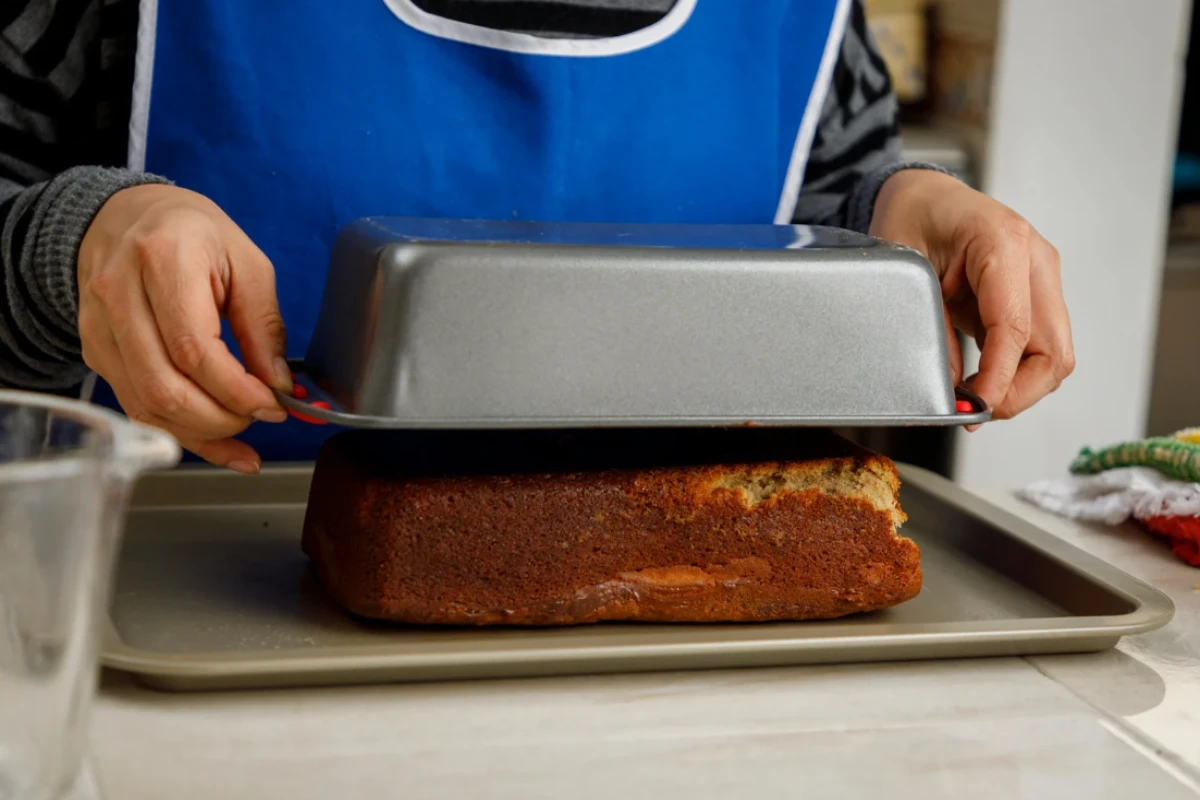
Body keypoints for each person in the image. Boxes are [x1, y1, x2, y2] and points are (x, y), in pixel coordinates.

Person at [0, 0, 1073, 472]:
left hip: (703, 656)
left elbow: (819, 203)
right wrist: (71, 239)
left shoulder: (813, 15)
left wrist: (894, 216)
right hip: (175, 593)